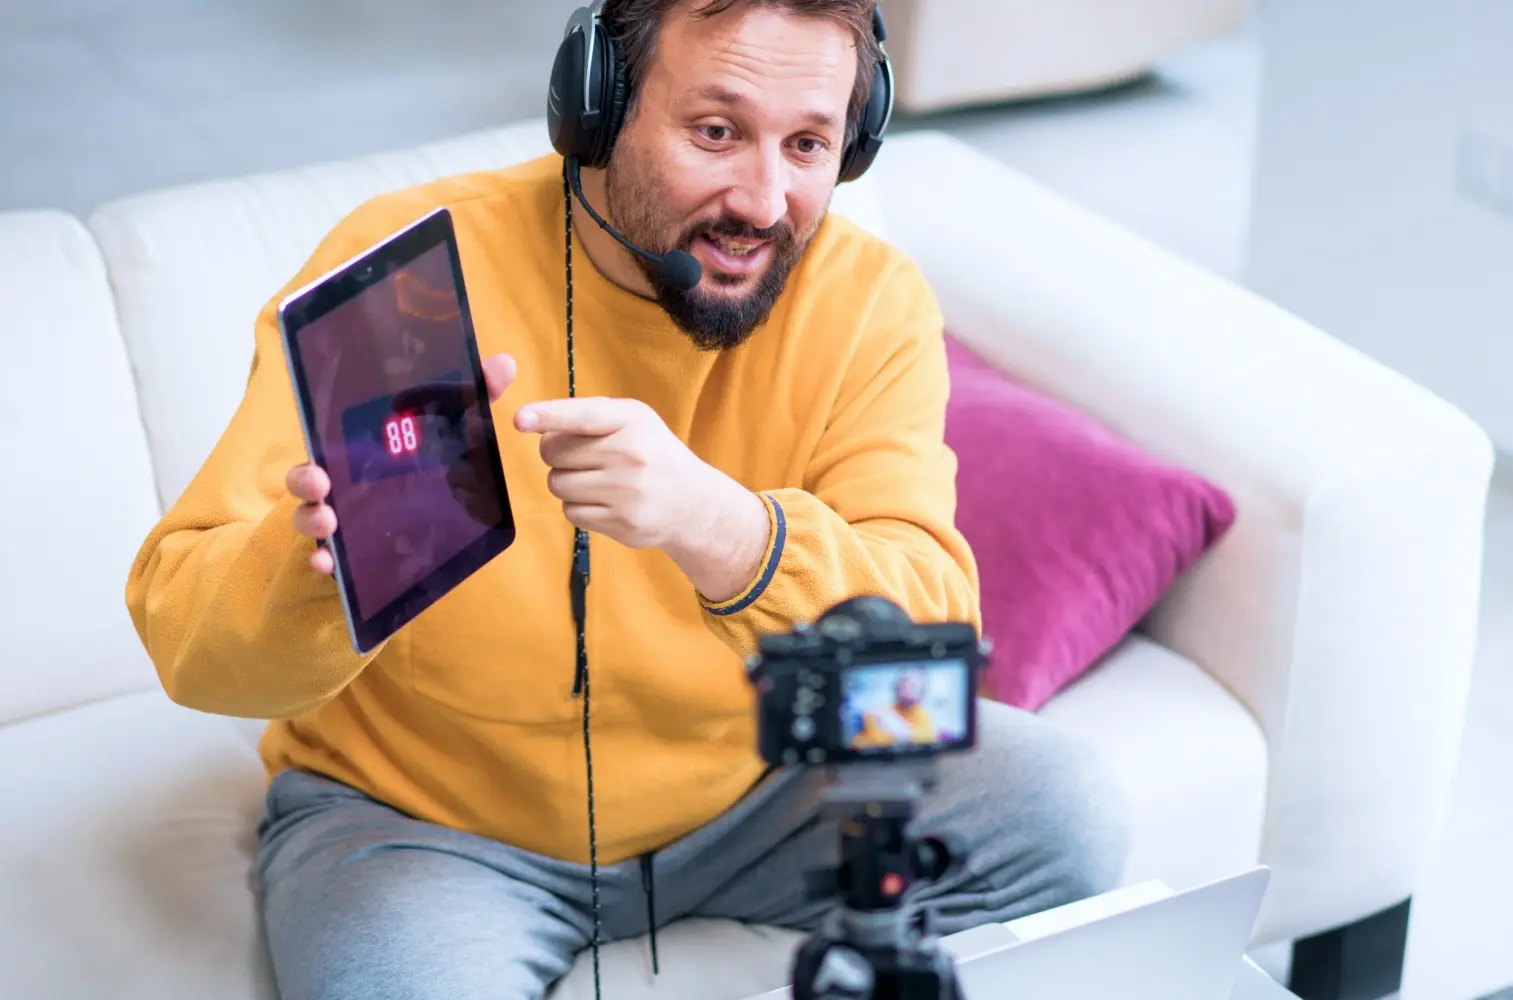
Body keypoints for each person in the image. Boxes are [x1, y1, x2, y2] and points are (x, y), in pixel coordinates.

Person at [124, 1, 1132, 997]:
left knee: (1068, 807)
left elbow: (923, 637)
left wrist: (722, 528)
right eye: (715, 131)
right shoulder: (417, 267)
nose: (764, 198)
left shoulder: (866, 301)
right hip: (426, 825)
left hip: (760, 794)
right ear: (595, 111)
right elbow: (188, 642)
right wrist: (320, 573)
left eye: (808, 144)